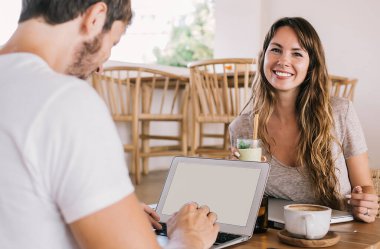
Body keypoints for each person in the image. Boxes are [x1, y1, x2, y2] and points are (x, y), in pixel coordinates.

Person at [0, 1, 219, 248]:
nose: (102, 67)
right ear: (96, 17)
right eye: (112, 43)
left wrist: (108, 210)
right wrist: (188, 238)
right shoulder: (65, 100)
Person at [229, 17, 379, 223]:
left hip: (337, 236)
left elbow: (365, 186)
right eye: (276, 50)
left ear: (311, 65)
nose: (283, 60)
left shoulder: (340, 113)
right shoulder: (243, 129)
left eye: (297, 53)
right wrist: (234, 180)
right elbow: (241, 205)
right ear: (263, 56)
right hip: (271, 237)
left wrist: (366, 204)